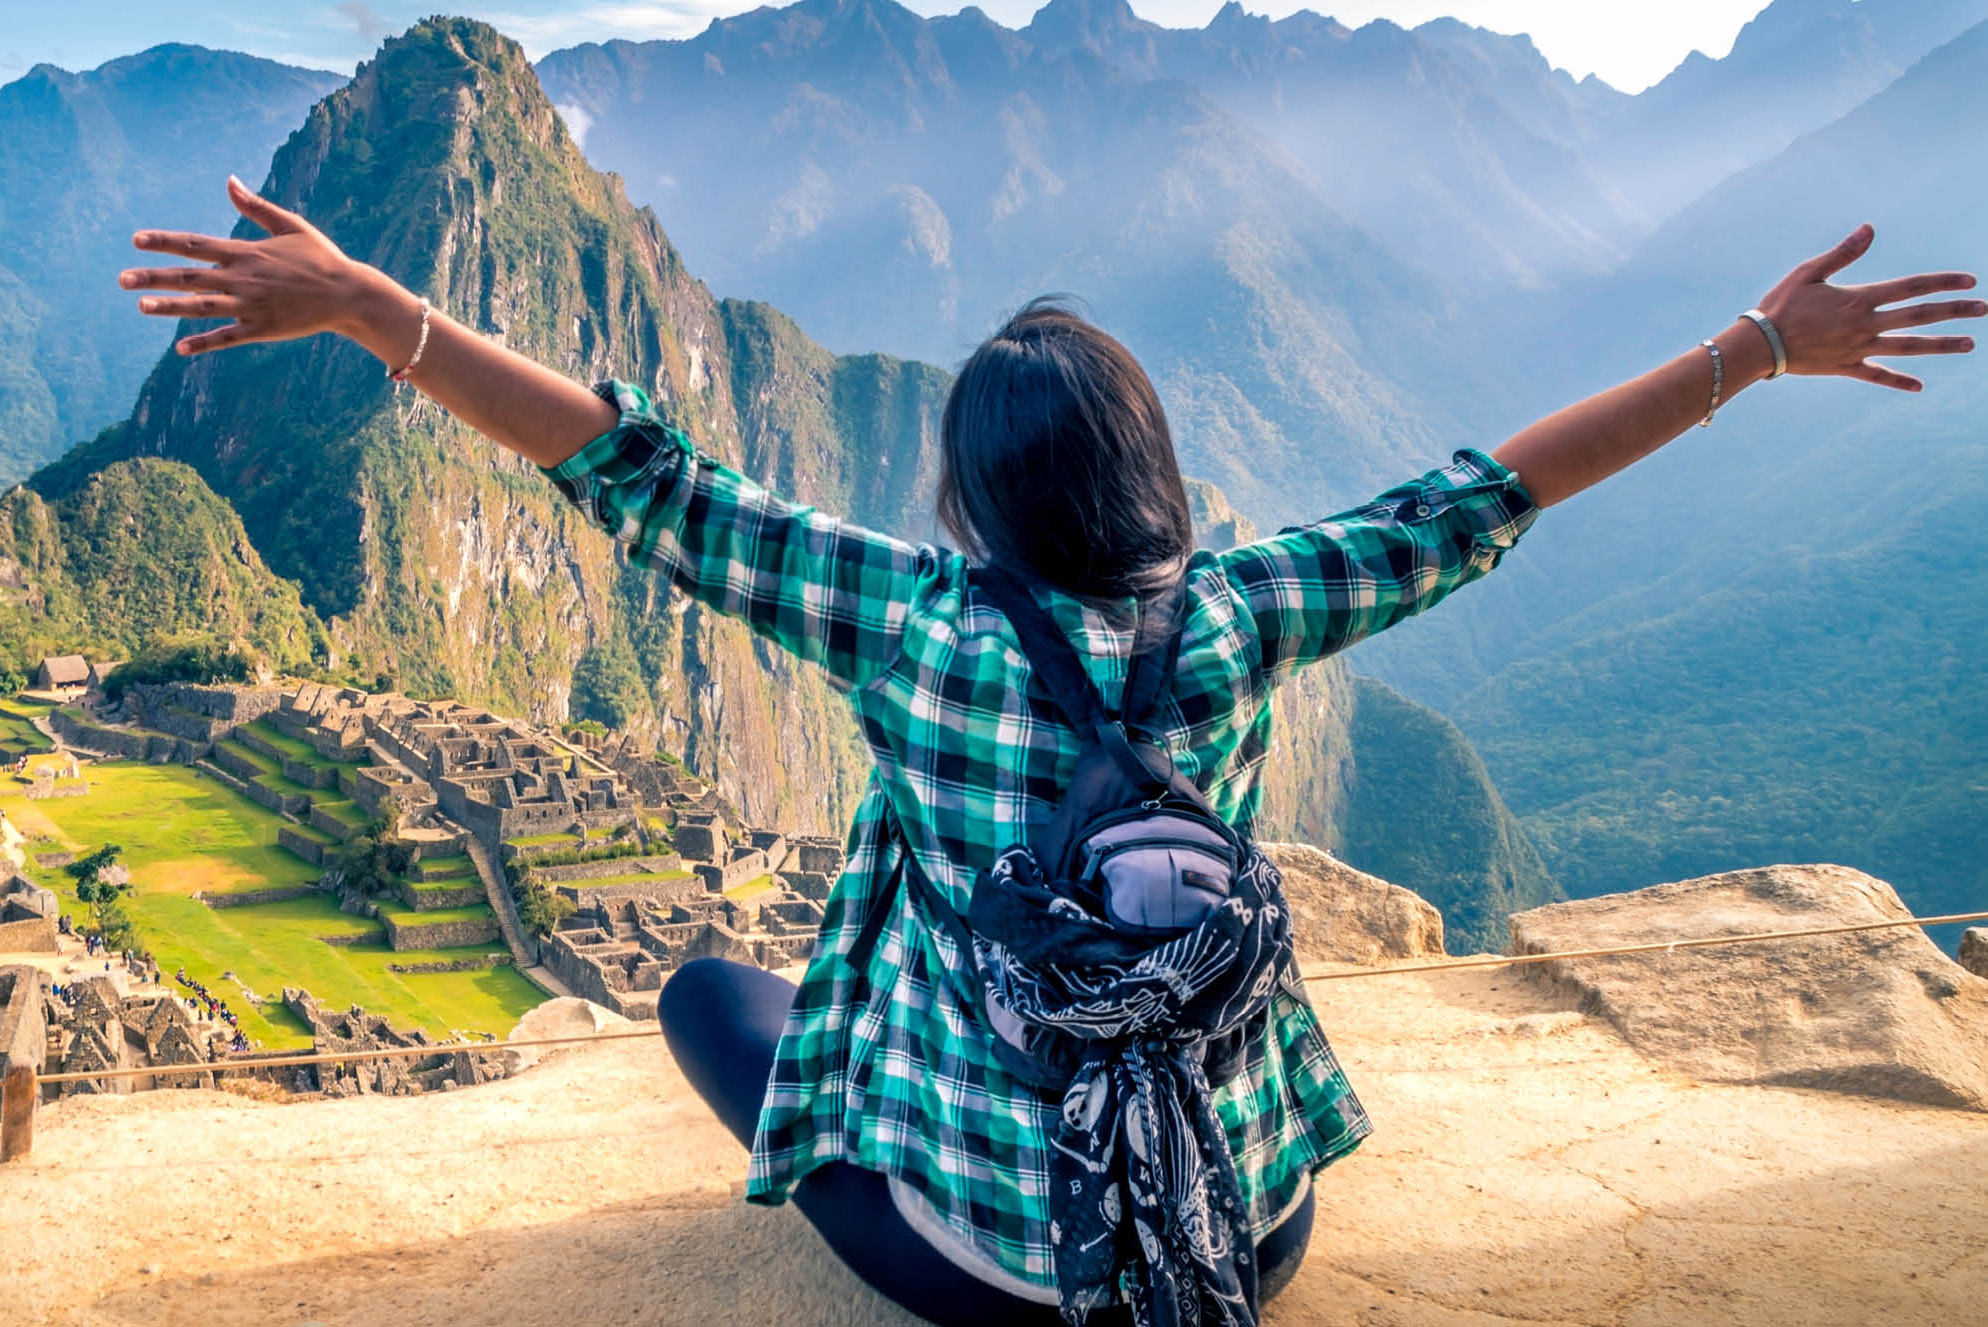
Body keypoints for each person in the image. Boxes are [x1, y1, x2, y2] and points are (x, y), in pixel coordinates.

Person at [120, 183, 1979, 1325]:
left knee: (709, 996)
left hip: (991, 1276)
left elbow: (638, 471)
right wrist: (1754, 345)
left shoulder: (907, 629)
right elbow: (1486, 492)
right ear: (1152, 476)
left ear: (966, 490)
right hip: (1250, 1239)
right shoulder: (1254, 611)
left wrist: (379, 306)